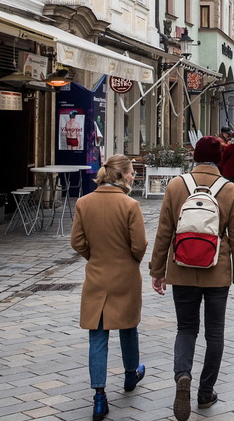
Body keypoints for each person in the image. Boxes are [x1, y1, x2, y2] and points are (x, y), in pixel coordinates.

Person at [150, 137, 234, 421]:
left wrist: (158, 270)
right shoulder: (230, 190)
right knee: (214, 334)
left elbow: (164, 231)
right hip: (217, 271)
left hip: (181, 268)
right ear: (219, 158)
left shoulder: (176, 186)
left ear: (194, 156)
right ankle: (205, 392)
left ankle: (183, 375)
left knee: (186, 329)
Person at [70, 155, 148, 421]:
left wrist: (94, 256)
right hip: (125, 275)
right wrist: (131, 260)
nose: (133, 176)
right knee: (128, 326)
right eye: (131, 172)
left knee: (97, 334)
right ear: (123, 175)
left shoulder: (83, 202)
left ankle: (100, 397)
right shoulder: (130, 205)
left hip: (96, 274)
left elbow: (77, 241)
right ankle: (130, 374)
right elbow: (139, 245)